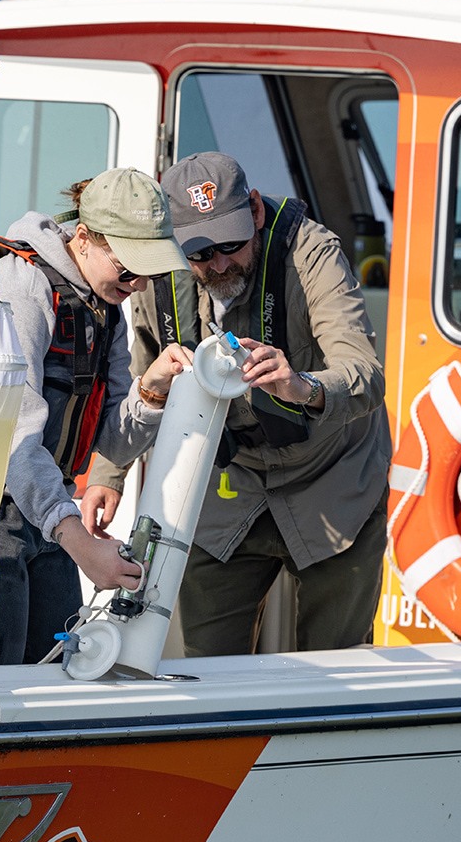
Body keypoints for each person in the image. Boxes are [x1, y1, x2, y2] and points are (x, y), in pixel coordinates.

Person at [82, 152, 389, 655]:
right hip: (227, 484)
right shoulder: (156, 273)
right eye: (200, 253)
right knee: (206, 665)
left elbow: (366, 375)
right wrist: (106, 473)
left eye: (231, 244)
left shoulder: (312, 252)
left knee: (337, 667)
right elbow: (140, 378)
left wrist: (300, 386)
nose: (219, 264)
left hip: (333, 479)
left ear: (255, 211)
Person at [0, 169, 194, 664]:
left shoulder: (104, 308)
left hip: (44, 507)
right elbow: (11, 443)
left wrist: (152, 391)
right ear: (83, 239)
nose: (138, 282)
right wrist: (79, 542)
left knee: (53, 676)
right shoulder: (18, 289)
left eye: (150, 271)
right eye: (128, 267)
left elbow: (111, 443)